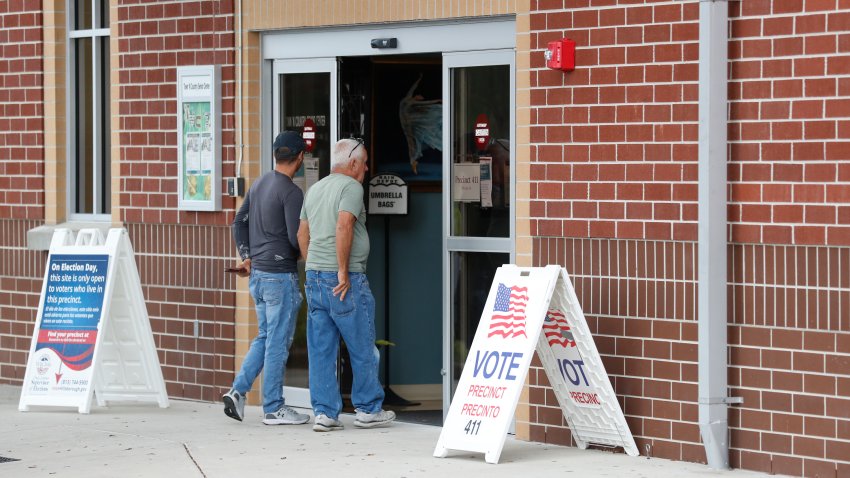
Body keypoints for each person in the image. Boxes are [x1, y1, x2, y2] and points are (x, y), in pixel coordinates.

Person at [297, 138, 396, 432]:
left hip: (315, 276)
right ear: (353, 163)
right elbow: (344, 225)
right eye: (364, 163)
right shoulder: (351, 187)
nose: (366, 168)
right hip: (345, 279)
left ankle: (325, 413)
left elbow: (302, 233)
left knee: (320, 348)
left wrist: (314, 263)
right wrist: (341, 270)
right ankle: (368, 409)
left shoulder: (315, 189)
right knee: (362, 344)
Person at [222, 131, 311, 426]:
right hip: (279, 277)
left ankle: (238, 391)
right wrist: (307, 253)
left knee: (265, 336)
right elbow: (292, 236)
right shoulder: (292, 192)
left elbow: (239, 221)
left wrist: (246, 254)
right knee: (277, 341)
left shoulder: (259, 184)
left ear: (276, 155)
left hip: (258, 275)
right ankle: (273, 407)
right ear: (300, 157)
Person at [399, 74, 442, 175]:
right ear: (417, 96)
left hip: (411, 123)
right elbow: (415, 91)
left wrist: (437, 101)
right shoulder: (410, 99)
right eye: (420, 97)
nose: (421, 98)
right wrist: (419, 79)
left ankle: (413, 161)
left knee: (414, 142)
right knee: (412, 142)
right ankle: (413, 161)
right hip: (408, 123)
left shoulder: (411, 101)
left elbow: (425, 103)